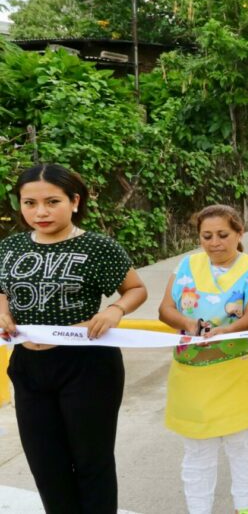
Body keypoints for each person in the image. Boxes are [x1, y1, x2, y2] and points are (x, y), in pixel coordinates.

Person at [0, 163, 148, 513]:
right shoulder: (10, 247)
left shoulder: (98, 247)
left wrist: (114, 311)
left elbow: (136, 289)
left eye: (52, 201)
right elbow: (1, 289)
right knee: (45, 464)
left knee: (91, 463)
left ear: (75, 201)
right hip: (29, 365)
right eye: (29, 203)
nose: (40, 212)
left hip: (87, 365)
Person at [158, 205, 248, 514]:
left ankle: (245, 508)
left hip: (238, 372)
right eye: (206, 236)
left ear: (239, 233)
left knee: (242, 444)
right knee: (197, 449)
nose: (214, 242)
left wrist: (225, 330)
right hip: (192, 373)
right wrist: (190, 324)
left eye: (222, 235)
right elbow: (165, 309)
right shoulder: (186, 265)